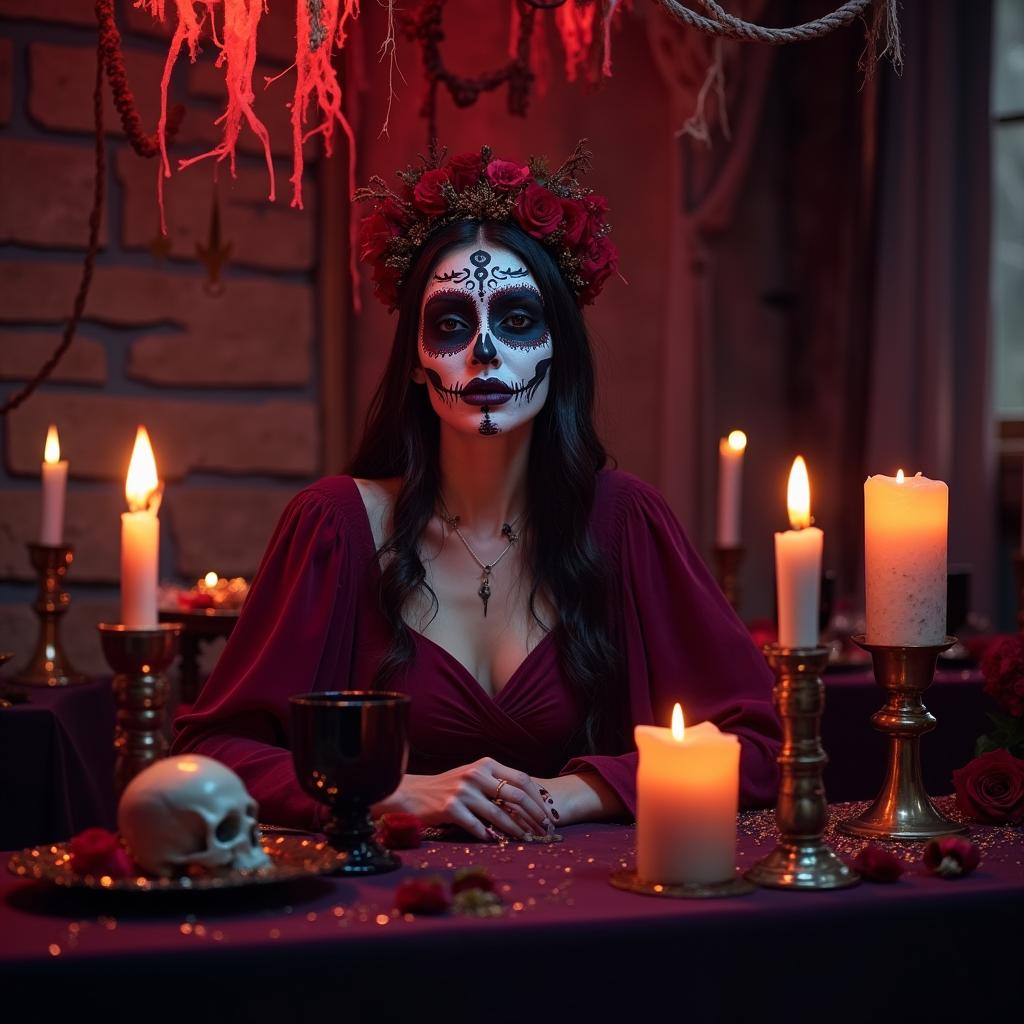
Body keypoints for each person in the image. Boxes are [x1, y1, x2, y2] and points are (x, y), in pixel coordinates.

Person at [171, 143, 781, 840]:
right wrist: (382, 795)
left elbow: (764, 747)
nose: (484, 352)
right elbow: (213, 754)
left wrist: (574, 793)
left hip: (590, 916)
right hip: (381, 921)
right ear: (414, 363)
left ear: (560, 352)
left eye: (518, 321)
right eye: (453, 323)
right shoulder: (336, 528)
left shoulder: (624, 523)